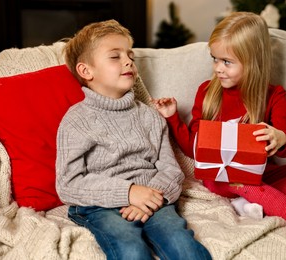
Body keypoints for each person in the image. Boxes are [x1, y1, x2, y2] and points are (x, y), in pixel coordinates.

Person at [152, 12, 286, 247]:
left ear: (253, 61)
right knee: (240, 182)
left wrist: (279, 137)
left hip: (260, 174)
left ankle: (252, 201)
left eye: (227, 62)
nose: (218, 69)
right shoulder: (207, 92)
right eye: (215, 59)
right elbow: (194, 149)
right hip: (221, 179)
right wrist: (173, 119)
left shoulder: (274, 95)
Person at [56, 19, 212, 260]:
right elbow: (68, 184)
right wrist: (129, 192)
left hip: (153, 196)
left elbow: (171, 169)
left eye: (130, 55)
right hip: (100, 204)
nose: (128, 61)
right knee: (130, 250)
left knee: (181, 245)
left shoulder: (149, 115)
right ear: (86, 71)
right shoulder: (76, 120)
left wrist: (148, 198)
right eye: (115, 56)